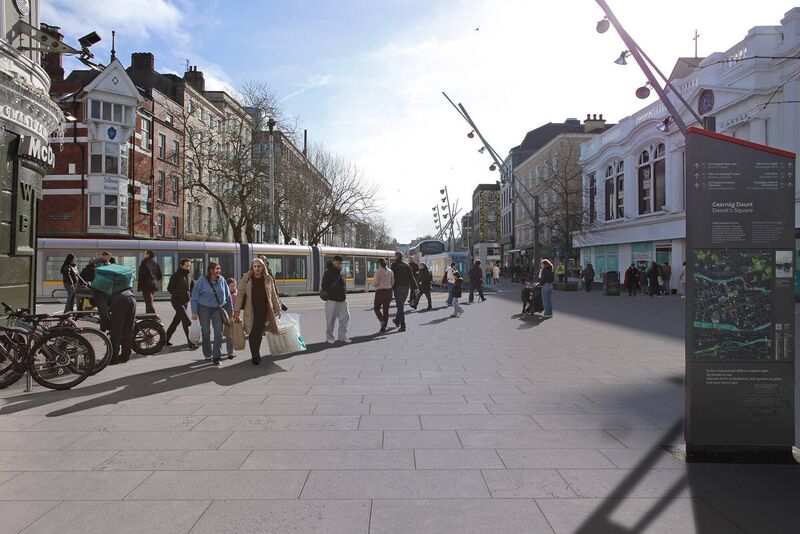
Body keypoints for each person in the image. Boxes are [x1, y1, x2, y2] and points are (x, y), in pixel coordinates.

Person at [234, 259, 282, 365]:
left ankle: (257, 353)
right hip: (250, 310)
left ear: (263, 267)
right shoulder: (246, 278)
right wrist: (236, 311)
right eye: (255, 266)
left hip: (263, 310)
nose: (257, 268)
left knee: (259, 333)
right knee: (252, 333)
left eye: (259, 266)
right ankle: (254, 356)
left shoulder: (268, 278)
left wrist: (277, 308)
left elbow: (273, 295)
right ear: (252, 267)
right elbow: (240, 294)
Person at [191, 262, 233, 365]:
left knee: (218, 332)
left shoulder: (222, 280)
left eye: (219, 269)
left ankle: (216, 357)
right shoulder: (201, 281)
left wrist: (230, 311)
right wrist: (194, 312)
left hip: (217, 309)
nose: (219, 271)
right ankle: (207, 354)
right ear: (211, 270)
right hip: (203, 308)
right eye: (217, 269)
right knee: (206, 332)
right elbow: (194, 297)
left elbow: (228, 297)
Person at [95, 288, 137, 365]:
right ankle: (125, 356)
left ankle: (113, 358)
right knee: (128, 330)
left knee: (115, 332)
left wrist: (105, 325)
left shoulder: (98, 293)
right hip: (132, 298)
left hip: (120, 301)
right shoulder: (114, 283)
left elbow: (104, 313)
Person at [165, 258, 198, 349]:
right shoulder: (176, 275)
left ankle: (165, 339)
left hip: (185, 302)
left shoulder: (189, 276)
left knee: (176, 321)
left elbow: (193, 287)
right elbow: (169, 288)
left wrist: (189, 294)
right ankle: (191, 343)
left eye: (189, 266)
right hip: (177, 302)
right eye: (186, 266)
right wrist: (178, 294)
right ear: (181, 265)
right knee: (186, 321)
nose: (188, 268)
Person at [321, 255, 350, 343]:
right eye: (338, 263)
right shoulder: (328, 272)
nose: (339, 265)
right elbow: (324, 286)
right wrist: (334, 292)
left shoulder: (340, 272)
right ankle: (329, 337)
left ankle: (342, 336)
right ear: (333, 262)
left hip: (342, 299)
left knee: (346, 316)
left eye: (340, 263)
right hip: (332, 300)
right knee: (330, 320)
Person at [390, 251, 418, 332]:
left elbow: (392, 277)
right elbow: (412, 277)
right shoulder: (407, 265)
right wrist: (416, 287)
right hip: (406, 288)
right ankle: (396, 320)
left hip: (397, 287)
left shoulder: (394, 265)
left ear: (396, 256)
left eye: (394, 256)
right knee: (401, 305)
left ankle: (403, 325)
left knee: (400, 307)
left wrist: (390, 288)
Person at [371, 257, 394, 332]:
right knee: (386, 309)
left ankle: (382, 321)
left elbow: (375, 283)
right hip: (389, 291)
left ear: (379, 264)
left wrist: (373, 284)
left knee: (376, 308)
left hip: (380, 292)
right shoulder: (390, 271)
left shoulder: (378, 271)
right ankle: (384, 327)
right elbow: (392, 282)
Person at [137, 250, 162, 314]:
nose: (144, 255)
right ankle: (148, 317)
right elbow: (160, 275)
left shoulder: (144, 263)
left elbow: (141, 275)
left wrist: (139, 287)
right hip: (154, 286)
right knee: (148, 302)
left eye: (145, 253)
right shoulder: (155, 264)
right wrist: (155, 281)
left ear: (148, 255)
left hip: (146, 286)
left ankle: (154, 318)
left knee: (149, 303)